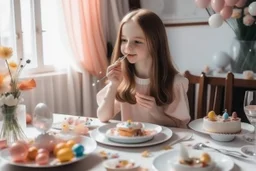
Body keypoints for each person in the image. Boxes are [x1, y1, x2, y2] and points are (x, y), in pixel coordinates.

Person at [96, 9, 190, 128]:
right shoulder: (122, 79)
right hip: (131, 145)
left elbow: (180, 126)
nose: (128, 47)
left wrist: (155, 112)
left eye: (137, 41)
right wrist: (113, 85)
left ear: (155, 43)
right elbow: (103, 116)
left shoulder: (175, 83)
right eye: (124, 40)